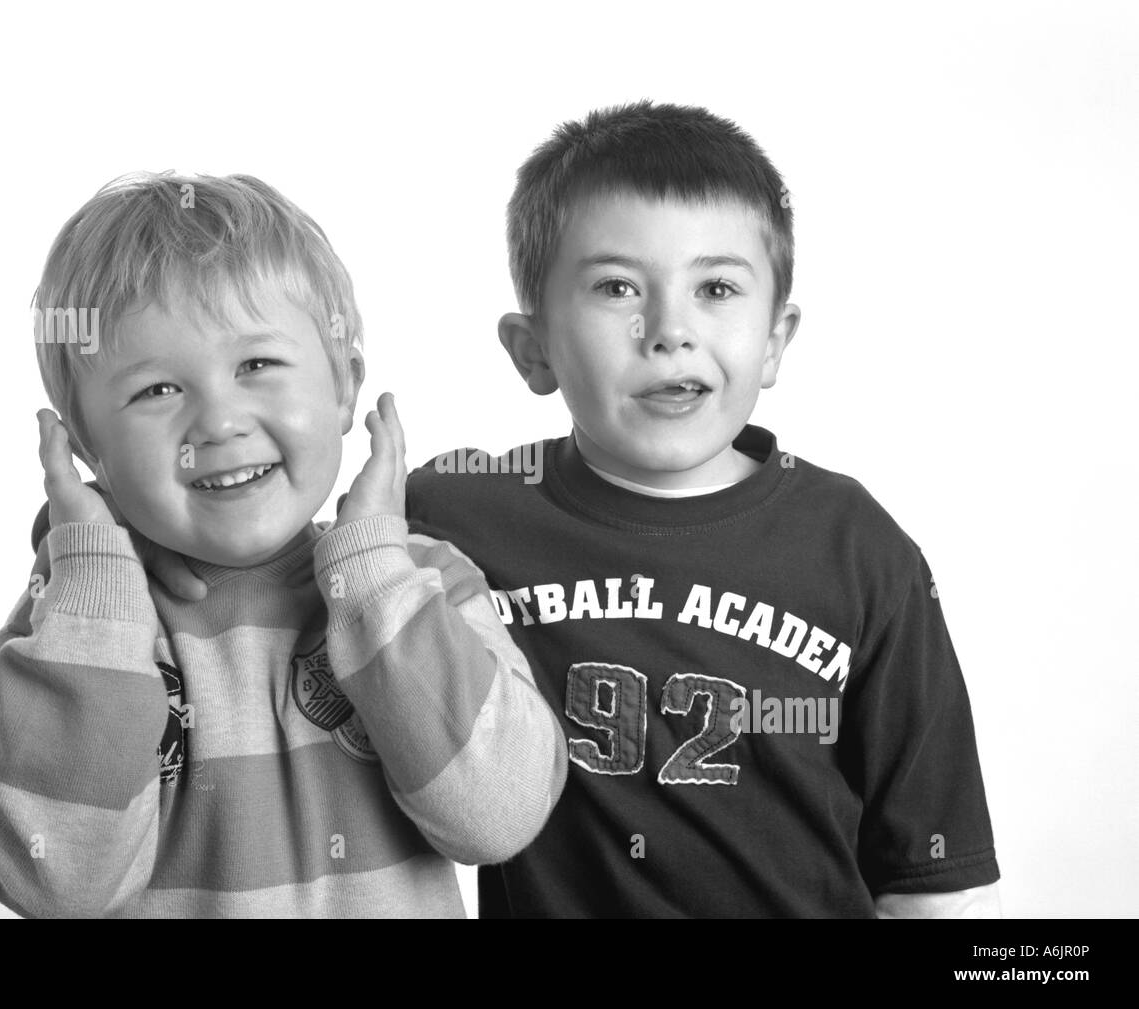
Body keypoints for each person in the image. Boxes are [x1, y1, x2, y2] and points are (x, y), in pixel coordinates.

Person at [402, 101, 1002, 917]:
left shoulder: (857, 547)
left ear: (776, 340)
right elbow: (286, 584)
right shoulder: (451, 516)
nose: (670, 330)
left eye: (716, 287)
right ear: (531, 347)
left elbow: (932, 882)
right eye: (617, 287)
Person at [0, 172, 567, 918]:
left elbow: (497, 816)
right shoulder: (74, 623)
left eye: (256, 365)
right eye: (156, 389)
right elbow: (57, 881)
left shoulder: (425, 584)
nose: (219, 422)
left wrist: (376, 578)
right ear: (89, 447)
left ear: (345, 385)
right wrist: (97, 585)